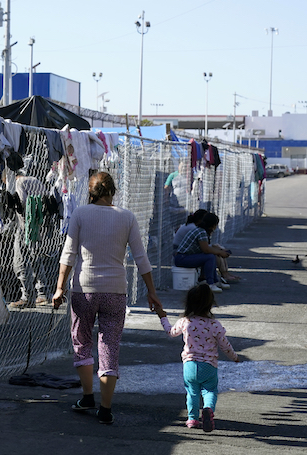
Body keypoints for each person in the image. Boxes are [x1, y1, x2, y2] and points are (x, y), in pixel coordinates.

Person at [51, 171, 161, 424]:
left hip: (84, 289)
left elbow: (68, 254)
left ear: (90, 192)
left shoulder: (80, 213)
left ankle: (88, 395)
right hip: (115, 291)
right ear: (114, 191)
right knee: (109, 346)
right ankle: (106, 408)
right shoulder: (127, 217)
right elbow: (141, 258)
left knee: (82, 341)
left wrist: (59, 288)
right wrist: (152, 293)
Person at [154, 284, 240, 432]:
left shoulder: (185, 321)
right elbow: (225, 346)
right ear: (210, 303)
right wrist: (235, 357)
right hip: (208, 366)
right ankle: (208, 410)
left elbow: (170, 332)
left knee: (192, 392)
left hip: (189, 365)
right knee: (210, 390)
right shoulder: (214, 325)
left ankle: (192, 419)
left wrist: (163, 317)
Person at [9, 171, 58, 309]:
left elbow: (23, 202)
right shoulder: (34, 179)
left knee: (19, 260)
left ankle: (27, 296)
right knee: (35, 257)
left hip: (26, 225)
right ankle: (43, 292)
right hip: (39, 223)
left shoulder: (18, 182)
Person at [173, 212, 229, 293]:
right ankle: (210, 283)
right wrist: (220, 253)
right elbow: (206, 249)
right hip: (182, 258)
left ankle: (215, 281)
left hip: (183, 257)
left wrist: (219, 251)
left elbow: (207, 248)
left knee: (211, 255)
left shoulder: (200, 230)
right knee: (210, 257)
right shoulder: (201, 232)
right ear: (212, 225)